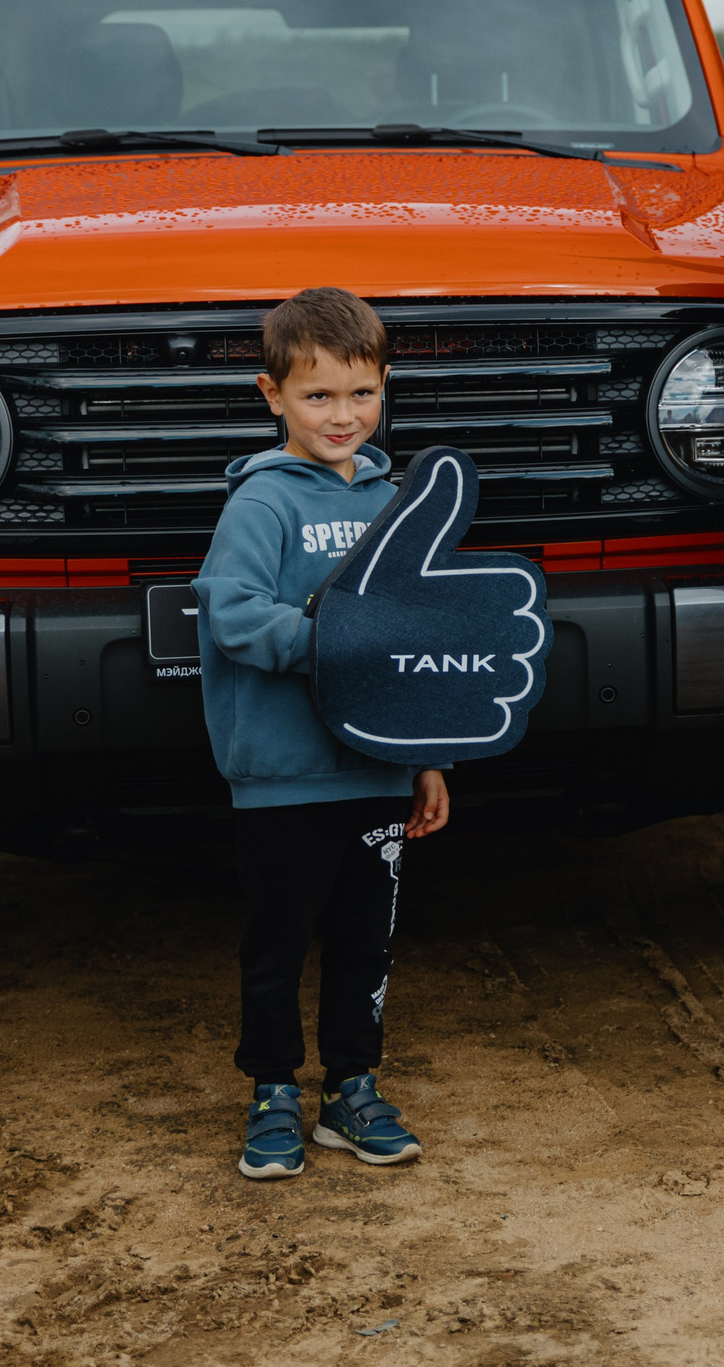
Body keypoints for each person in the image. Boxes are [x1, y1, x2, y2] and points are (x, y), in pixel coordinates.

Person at [194, 286, 452, 1180]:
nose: (343, 416)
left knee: (364, 942)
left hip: (377, 772)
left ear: (384, 388)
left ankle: (351, 1089)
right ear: (273, 397)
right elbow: (233, 616)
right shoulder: (260, 507)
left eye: (362, 394)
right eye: (318, 396)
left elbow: (415, 636)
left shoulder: (396, 501)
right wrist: (332, 649)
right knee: (279, 939)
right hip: (285, 775)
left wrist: (425, 758)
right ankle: (272, 1092)